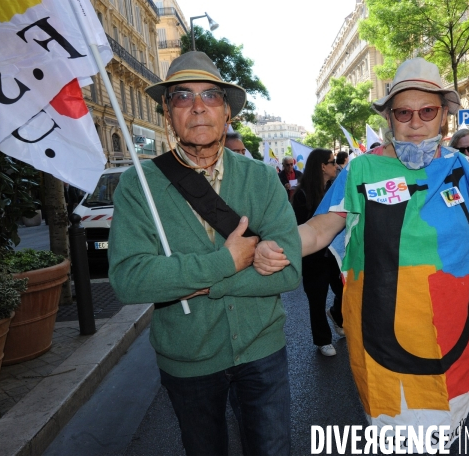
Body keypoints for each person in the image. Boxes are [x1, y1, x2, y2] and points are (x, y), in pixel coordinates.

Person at [254, 58, 469, 452]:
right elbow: (319, 230)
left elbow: (461, 225)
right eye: (403, 112)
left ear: (444, 118)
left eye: (427, 111)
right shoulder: (361, 170)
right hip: (387, 336)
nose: (415, 122)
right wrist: (276, 244)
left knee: (444, 435)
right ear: (390, 118)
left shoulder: (457, 166)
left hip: (454, 329)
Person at [108, 51, 301, 456]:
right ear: (167, 112)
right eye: (182, 97)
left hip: (262, 350)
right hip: (187, 360)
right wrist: (226, 262)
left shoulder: (262, 178)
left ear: (227, 112)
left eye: (211, 96)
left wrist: (200, 286)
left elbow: (289, 273)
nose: (197, 107)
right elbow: (130, 279)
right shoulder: (137, 185)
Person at [291, 149, 344, 356]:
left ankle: (337, 315)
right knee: (317, 298)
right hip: (313, 258)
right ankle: (323, 340)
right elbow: (300, 227)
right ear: (323, 166)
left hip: (335, 255)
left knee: (344, 293)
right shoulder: (302, 195)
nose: (336, 166)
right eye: (332, 162)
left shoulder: (334, 188)